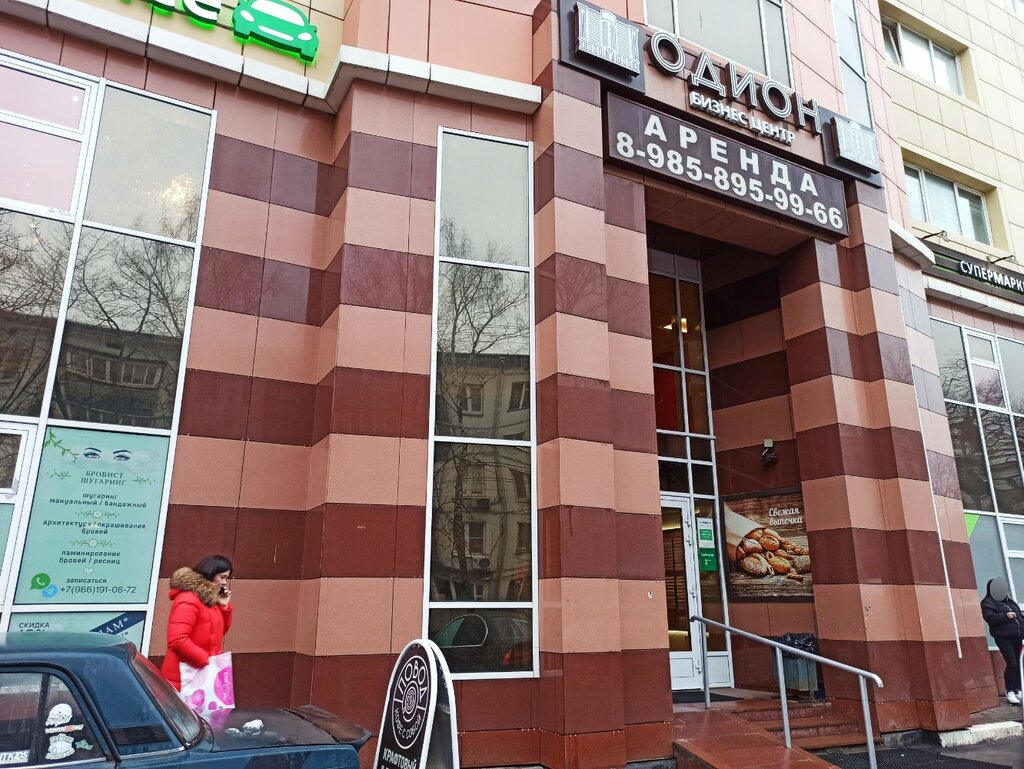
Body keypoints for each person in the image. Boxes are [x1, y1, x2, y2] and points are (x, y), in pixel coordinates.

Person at [161, 554, 233, 691]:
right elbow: (177, 640)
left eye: (227, 578)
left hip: (198, 675)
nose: (224, 583)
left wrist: (224, 607)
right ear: (211, 573)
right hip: (184, 676)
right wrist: (206, 662)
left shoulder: (209, 600)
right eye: (222, 577)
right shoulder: (188, 599)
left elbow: (217, 634)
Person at [981, 577, 1024, 705]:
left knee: (1018, 664)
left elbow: (1019, 618)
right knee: (1012, 663)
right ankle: (1009, 691)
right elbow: (990, 618)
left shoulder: (1010, 602)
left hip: (1017, 637)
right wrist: (1005, 616)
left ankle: (1017, 689)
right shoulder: (987, 603)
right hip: (1003, 638)